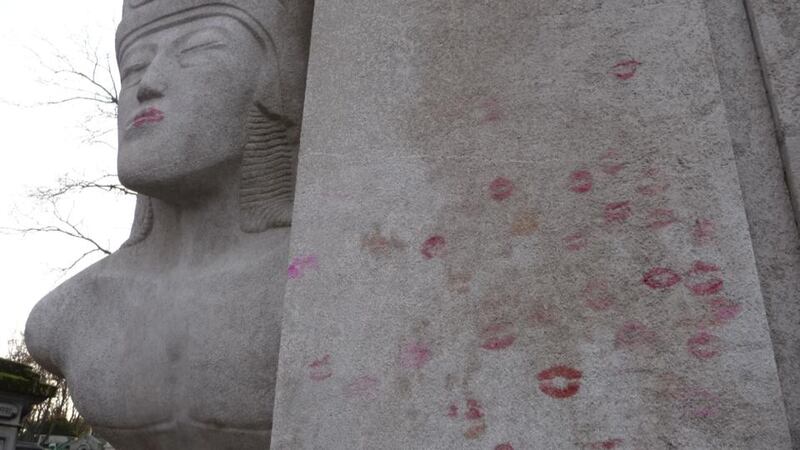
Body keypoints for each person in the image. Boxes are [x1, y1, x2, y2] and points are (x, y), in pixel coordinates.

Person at [24, 1, 313, 448]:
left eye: (197, 52)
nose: (149, 84)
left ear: (275, 88)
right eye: (134, 68)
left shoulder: (328, 289)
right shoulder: (65, 316)